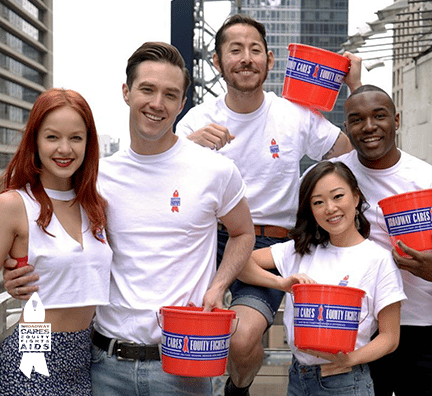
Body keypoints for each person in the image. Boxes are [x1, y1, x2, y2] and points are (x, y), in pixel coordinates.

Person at [4, 42, 256, 396]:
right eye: (147, 89)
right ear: (126, 92)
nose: (157, 103)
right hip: (102, 364)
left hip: (182, 364)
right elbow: (43, 222)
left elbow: (243, 232)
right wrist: (13, 274)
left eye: (170, 94)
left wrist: (219, 285)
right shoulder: (94, 178)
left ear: (182, 104)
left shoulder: (215, 170)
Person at [175, 14, 360, 396]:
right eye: (235, 50)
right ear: (217, 61)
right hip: (206, 243)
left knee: (242, 341)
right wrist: (187, 147)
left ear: (270, 60)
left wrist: (353, 88)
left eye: (255, 50)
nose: (246, 58)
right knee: (178, 329)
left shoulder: (293, 114)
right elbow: (164, 181)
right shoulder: (197, 120)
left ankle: (238, 388)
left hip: (269, 248)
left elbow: (352, 154)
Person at [331, 84, 432, 396]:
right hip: (354, 328)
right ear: (346, 128)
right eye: (357, 119)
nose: (369, 127)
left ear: (396, 120)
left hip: (421, 328)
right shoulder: (331, 180)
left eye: (379, 116)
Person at [237, 160, 406, 395]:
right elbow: (239, 263)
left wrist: (350, 360)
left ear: (356, 198)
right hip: (298, 378)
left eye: (338, 197)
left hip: (345, 381)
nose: (330, 208)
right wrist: (280, 283)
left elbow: (390, 337)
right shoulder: (300, 250)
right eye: (318, 202)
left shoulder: (378, 259)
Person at [0, 88, 112, 395]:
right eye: (52, 137)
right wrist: (9, 282)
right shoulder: (13, 204)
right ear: (35, 141)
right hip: (32, 353)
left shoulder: (96, 206)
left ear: (89, 143)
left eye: (76, 137)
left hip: (85, 357)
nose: (65, 149)